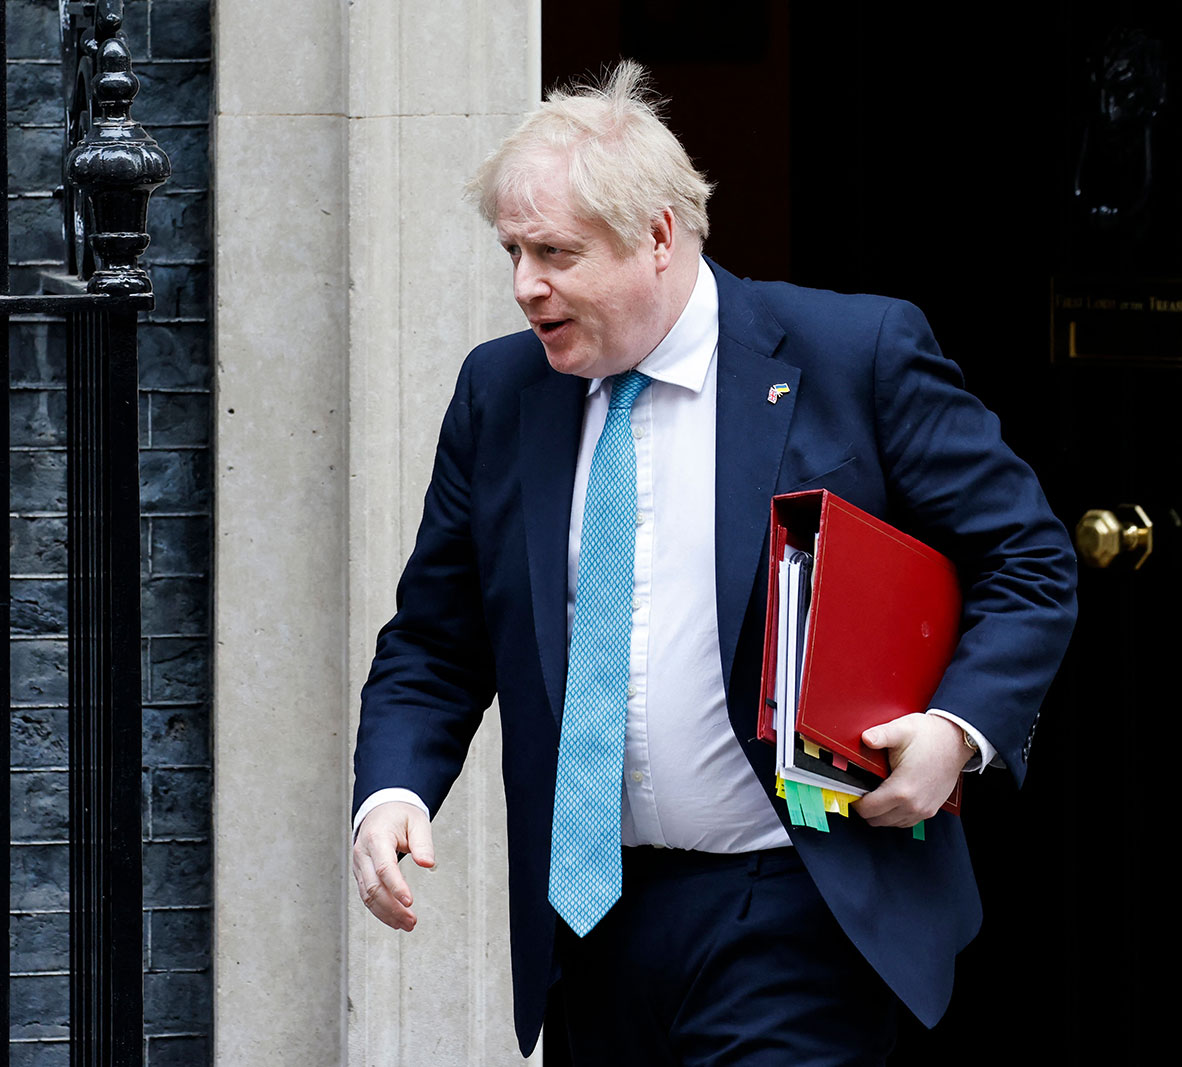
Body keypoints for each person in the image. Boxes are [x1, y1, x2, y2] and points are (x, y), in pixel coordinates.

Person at [351, 61, 1077, 1065]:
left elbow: (1027, 557)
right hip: (592, 922)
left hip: (794, 901)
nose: (525, 285)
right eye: (513, 250)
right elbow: (436, 639)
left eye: (555, 252)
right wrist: (394, 792)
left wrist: (958, 729)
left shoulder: (850, 352)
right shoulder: (501, 390)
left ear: (657, 236)